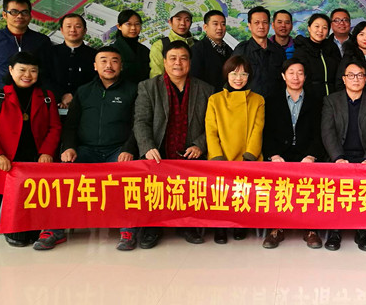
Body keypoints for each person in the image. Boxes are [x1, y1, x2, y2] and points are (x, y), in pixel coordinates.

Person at [133, 40, 212, 249]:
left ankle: (187, 224)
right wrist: (148, 147)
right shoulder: (148, 87)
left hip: (191, 152)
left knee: (194, 182)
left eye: (183, 58)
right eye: (173, 58)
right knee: (151, 182)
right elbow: (141, 121)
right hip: (159, 150)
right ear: (164, 62)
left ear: (190, 63)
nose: (178, 63)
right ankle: (152, 226)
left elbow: (213, 125)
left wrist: (200, 145)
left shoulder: (205, 89)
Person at [59, 46, 139, 251]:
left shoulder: (133, 90)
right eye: (103, 60)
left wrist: (128, 148)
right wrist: (69, 147)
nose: (108, 65)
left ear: (121, 66)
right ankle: (54, 230)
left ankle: (128, 230)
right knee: (62, 179)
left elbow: (138, 124)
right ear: (95, 66)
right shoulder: (83, 91)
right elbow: (71, 125)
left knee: (128, 179)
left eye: (114, 61)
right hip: (86, 150)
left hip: (118, 150)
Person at [0, 52, 61, 248]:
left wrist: (47, 152)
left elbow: (55, 127)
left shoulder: (46, 97)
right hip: (8, 158)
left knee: (37, 195)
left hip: (36, 157)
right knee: (13, 195)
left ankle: (35, 227)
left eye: (33, 71)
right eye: (22, 70)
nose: (27, 75)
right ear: (11, 70)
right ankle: (13, 228)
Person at [263, 58, 326, 249]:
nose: (295, 77)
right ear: (283, 76)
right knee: (275, 182)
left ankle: (310, 229)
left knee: (312, 183)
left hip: (306, 154)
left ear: (305, 77)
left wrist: (311, 155)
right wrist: (273, 155)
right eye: (291, 73)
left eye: (300, 73)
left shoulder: (316, 101)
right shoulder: (271, 100)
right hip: (280, 155)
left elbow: (320, 132)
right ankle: (276, 228)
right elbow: (266, 132)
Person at [321, 61, 366, 252]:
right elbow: (328, 132)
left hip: (364, 156)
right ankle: (335, 231)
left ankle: (362, 231)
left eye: (359, 75)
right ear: (343, 79)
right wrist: (338, 157)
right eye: (351, 75)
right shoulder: (331, 101)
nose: (355, 79)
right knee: (335, 185)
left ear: (365, 79)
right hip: (339, 156)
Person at [205, 55, 264, 244]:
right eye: (234, 73)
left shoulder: (257, 100)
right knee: (220, 192)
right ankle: (220, 226)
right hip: (222, 155)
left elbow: (257, 129)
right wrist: (217, 157)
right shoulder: (215, 100)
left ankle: (240, 223)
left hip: (246, 155)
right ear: (226, 75)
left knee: (242, 192)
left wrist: (249, 156)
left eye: (243, 74)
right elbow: (211, 131)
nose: (238, 78)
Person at [0, 0, 52, 90]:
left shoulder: (42, 41)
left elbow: (47, 72)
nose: (20, 16)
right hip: (1, 94)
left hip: (34, 95)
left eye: (24, 12)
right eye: (14, 12)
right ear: (4, 15)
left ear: (30, 16)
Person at [44, 13, 96, 109]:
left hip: (85, 106)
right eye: (68, 26)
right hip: (53, 105)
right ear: (61, 30)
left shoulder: (95, 55)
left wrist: (73, 95)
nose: (73, 30)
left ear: (85, 31)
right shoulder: (49, 53)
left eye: (78, 26)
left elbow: (95, 81)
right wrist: (61, 96)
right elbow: (44, 78)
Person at [233, 6, 285, 98]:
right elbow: (233, 79)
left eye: (265, 22)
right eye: (256, 23)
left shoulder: (278, 51)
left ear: (269, 25)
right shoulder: (241, 50)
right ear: (249, 26)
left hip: (275, 103)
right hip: (249, 102)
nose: (261, 26)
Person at [293, 13, 341, 99]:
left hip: (333, 98)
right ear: (309, 28)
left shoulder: (332, 47)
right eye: (317, 26)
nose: (320, 30)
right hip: (311, 98)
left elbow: (340, 73)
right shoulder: (301, 49)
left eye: (324, 28)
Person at [191, 10, 233, 91]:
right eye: (215, 24)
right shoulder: (197, 50)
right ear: (205, 27)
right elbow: (195, 80)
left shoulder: (229, 50)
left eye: (223, 24)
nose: (220, 28)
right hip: (207, 96)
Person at [149, 6, 195, 78]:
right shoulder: (159, 46)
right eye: (178, 19)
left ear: (191, 23)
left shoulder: (198, 45)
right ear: (170, 22)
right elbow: (156, 77)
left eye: (187, 20)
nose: (182, 23)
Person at [112, 9, 150, 84]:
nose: (133, 28)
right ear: (119, 26)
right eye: (128, 24)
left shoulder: (144, 50)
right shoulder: (113, 51)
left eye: (137, 24)